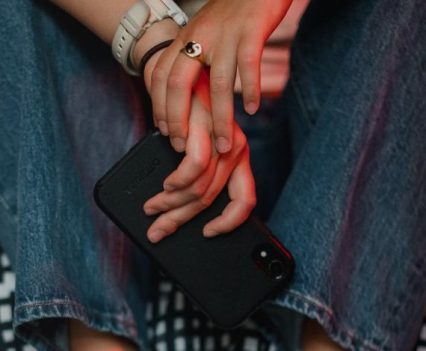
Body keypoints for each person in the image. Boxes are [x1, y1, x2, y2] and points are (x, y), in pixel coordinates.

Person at [0, 0, 425, 351]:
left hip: (339, 155)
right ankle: (97, 339)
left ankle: (330, 338)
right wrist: (159, 49)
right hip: (143, 144)